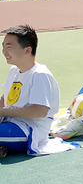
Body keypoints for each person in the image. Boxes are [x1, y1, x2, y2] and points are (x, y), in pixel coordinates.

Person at [0, 24, 70, 158]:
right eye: (3, 46)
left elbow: (39, 111)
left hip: (29, 131)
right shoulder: (14, 71)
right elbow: (5, 100)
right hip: (10, 124)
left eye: (9, 47)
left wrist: (2, 112)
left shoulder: (40, 74)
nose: (4, 51)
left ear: (27, 50)